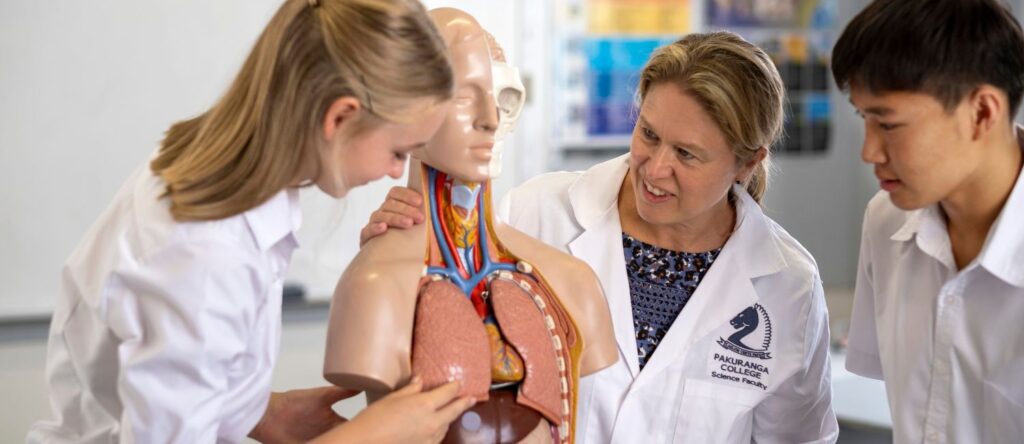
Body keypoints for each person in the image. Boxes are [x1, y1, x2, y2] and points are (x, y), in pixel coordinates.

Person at [26, 1, 476, 443]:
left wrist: (260, 412)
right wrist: (371, 436)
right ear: (340, 116)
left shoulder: (226, 175)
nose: (399, 171)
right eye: (399, 151)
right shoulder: (203, 253)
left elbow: (186, 365)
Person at [363, 31, 838, 443]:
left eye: (687, 155)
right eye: (648, 134)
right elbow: (435, 364)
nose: (655, 169)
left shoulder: (788, 284)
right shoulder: (537, 214)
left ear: (747, 162)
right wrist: (402, 264)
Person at [323, 9, 617, 443]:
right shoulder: (377, 283)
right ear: (408, 107)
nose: (490, 119)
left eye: (503, 99)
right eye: (464, 95)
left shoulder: (571, 283)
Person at [832, 0, 1024, 442]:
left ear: (981, 113)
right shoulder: (886, 221)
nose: (869, 152)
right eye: (864, 117)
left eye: (889, 124)